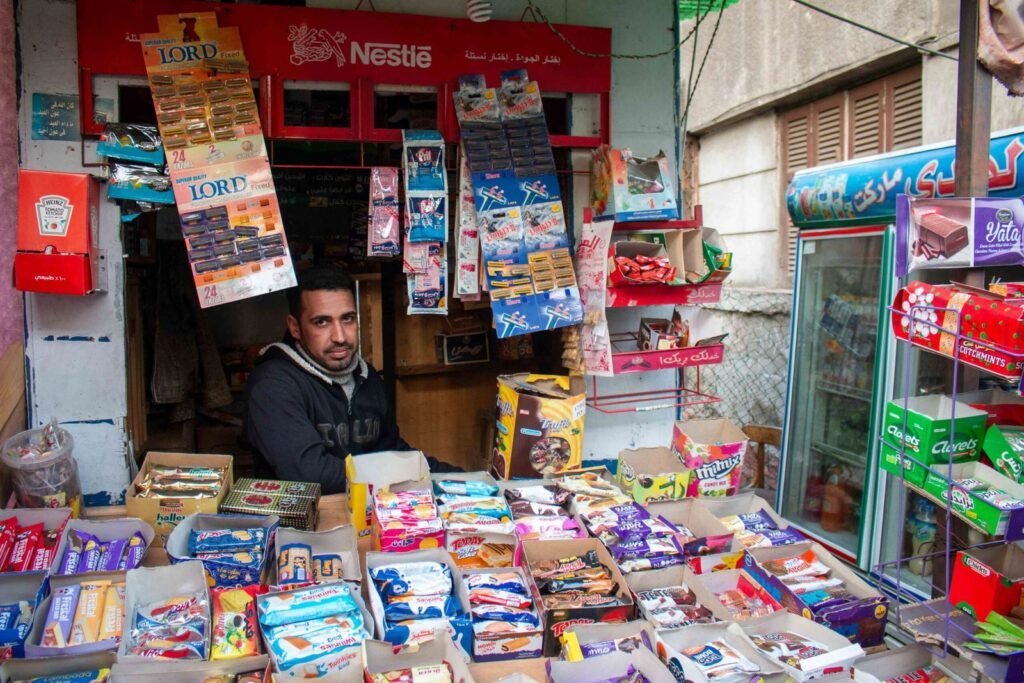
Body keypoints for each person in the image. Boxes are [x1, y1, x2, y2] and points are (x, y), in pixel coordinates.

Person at [244, 265, 457, 494]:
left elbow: (392, 453)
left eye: (347, 319)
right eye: (322, 322)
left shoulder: (367, 378)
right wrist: (397, 474)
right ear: (295, 328)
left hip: (366, 518)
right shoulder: (273, 385)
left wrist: (460, 479)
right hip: (303, 525)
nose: (340, 337)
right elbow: (310, 473)